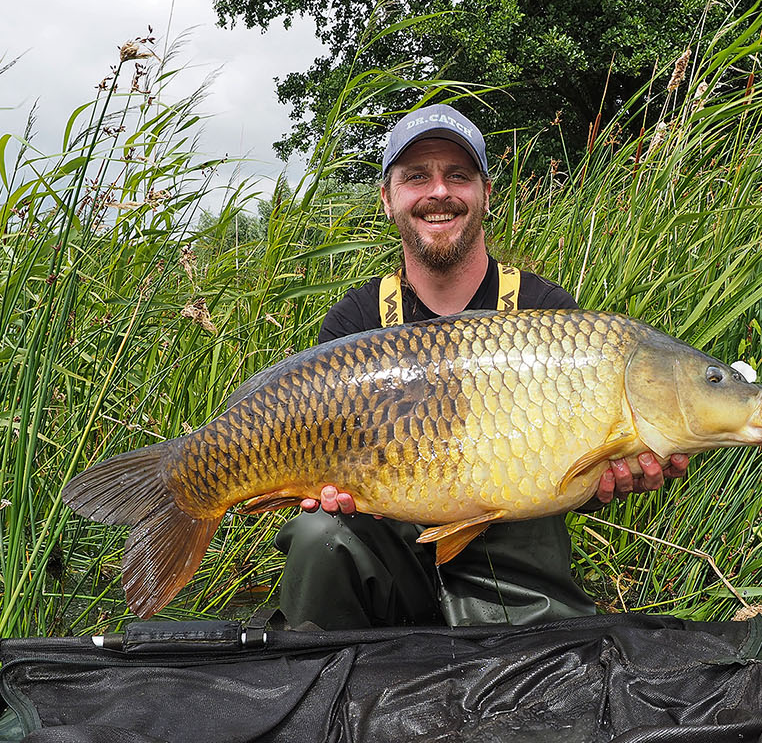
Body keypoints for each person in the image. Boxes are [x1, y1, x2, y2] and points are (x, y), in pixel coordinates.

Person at [273, 103, 688, 629]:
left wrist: (609, 481)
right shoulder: (354, 323)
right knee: (319, 533)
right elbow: (321, 465)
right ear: (387, 198)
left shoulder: (550, 314)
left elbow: (560, 473)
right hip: (388, 561)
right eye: (416, 176)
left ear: (486, 194)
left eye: (459, 176)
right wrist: (323, 490)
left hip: (514, 575)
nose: (439, 191)